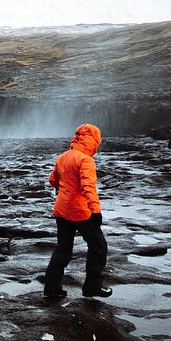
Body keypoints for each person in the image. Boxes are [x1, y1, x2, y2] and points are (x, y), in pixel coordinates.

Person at [43, 123, 112, 298]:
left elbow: (53, 180)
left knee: (63, 249)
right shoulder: (85, 160)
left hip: (62, 210)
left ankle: (51, 289)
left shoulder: (63, 156)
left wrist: (65, 189)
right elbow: (88, 187)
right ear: (93, 141)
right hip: (81, 212)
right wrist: (96, 211)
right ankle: (92, 287)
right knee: (98, 247)